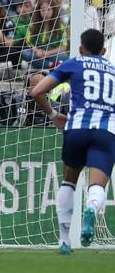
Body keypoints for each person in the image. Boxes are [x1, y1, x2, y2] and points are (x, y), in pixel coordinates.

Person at [30, 29, 115, 253]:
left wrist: (52, 115)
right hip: (105, 132)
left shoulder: (74, 63)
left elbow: (37, 90)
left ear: (80, 48)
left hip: (76, 129)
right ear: (104, 51)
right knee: (97, 185)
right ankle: (91, 208)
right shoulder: (114, 71)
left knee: (69, 182)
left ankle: (65, 240)